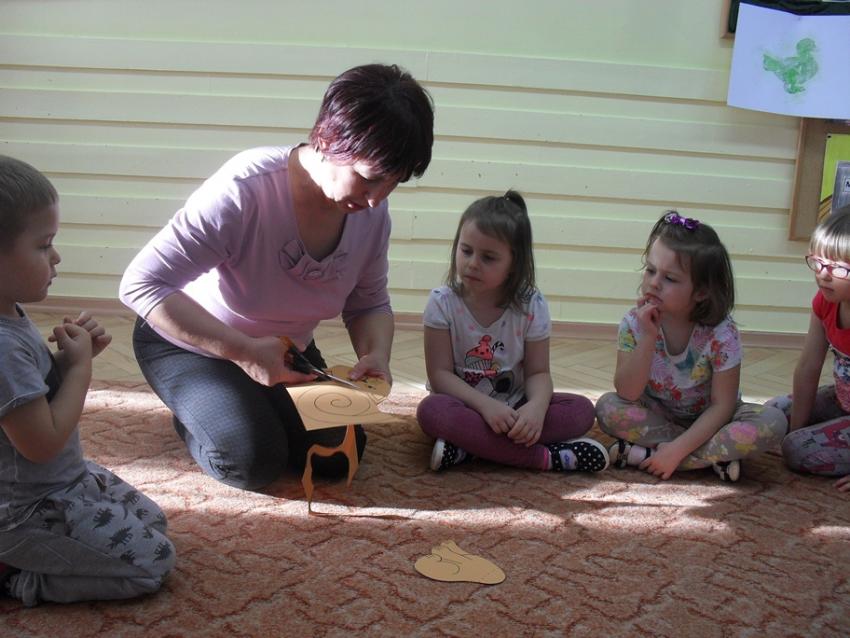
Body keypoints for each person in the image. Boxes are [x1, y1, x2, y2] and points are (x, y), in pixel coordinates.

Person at [120, 64, 434, 491]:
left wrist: (376, 354)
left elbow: (369, 303)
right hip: (190, 344)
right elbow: (141, 284)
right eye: (369, 178)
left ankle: (244, 403)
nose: (378, 198)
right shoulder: (244, 189)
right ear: (327, 139)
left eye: (394, 183)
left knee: (339, 456)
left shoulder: (371, 215)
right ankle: (198, 411)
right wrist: (244, 352)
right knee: (250, 459)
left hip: (283, 352)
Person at [0, 156, 175, 606]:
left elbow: (29, 400)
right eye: (44, 245)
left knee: (153, 522)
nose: (56, 257)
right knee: (151, 564)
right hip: (25, 511)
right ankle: (14, 578)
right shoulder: (1, 347)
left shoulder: (10, 314)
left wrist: (64, 363)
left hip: (61, 481)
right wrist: (80, 370)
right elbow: (42, 443)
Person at [416, 190, 609, 473]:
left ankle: (468, 448)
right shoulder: (441, 303)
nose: (472, 263)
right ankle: (545, 458)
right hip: (465, 405)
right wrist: (486, 407)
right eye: (466, 250)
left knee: (581, 411)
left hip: (516, 405)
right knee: (431, 412)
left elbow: (538, 373)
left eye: (488, 257)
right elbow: (440, 375)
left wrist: (537, 409)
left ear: (513, 264)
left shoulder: (532, 305)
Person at [595, 211, 786, 482]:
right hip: (659, 416)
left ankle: (653, 455)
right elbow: (627, 392)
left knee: (773, 422)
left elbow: (722, 406)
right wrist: (648, 337)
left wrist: (676, 451)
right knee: (607, 408)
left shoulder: (722, 333)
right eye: (650, 270)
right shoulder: (633, 323)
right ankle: (713, 458)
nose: (654, 283)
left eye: (670, 278)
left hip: (713, 421)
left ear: (702, 292)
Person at [766, 205, 850, 492]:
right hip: (842, 401)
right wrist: (796, 430)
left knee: (797, 450)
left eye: (839, 268)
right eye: (818, 263)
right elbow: (808, 367)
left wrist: (795, 442)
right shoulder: (825, 302)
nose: (824, 275)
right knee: (772, 414)